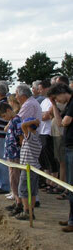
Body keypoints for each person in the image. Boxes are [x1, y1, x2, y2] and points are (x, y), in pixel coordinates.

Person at [47, 83, 73, 232]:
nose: (57, 101)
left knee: (71, 185)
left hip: (72, 148)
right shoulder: (68, 105)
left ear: (63, 92)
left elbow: (65, 122)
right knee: (70, 185)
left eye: (56, 98)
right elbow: (59, 122)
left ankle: (72, 220)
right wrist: (53, 104)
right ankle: (71, 218)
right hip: (68, 146)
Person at [15, 83, 43, 207]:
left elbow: (20, 122)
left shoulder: (29, 104)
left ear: (23, 95)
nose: (15, 97)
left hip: (29, 164)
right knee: (31, 186)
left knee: (25, 187)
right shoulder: (30, 103)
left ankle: (27, 209)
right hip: (31, 161)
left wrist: (33, 122)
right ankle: (30, 205)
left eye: (16, 94)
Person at [0, 102, 24, 216]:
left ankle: (19, 203)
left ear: (8, 111)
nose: (4, 118)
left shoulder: (17, 120)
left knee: (15, 177)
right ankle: (17, 200)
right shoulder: (12, 121)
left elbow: (21, 138)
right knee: (12, 177)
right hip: (10, 153)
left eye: (4, 116)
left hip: (15, 154)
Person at [16, 118, 42, 221]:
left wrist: (33, 122)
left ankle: (27, 211)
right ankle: (31, 211)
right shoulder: (36, 137)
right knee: (33, 191)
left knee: (23, 190)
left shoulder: (31, 137)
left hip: (29, 168)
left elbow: (23, 126)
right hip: (33, 167)